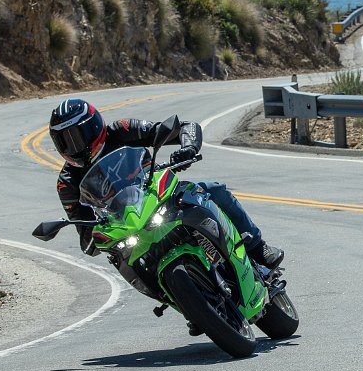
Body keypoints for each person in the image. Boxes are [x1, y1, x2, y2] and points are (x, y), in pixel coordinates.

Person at [49, 97, 284, 268]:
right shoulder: (67, 182)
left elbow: (182, 127)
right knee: (128, 263)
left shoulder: (121, 130)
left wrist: (188, 147)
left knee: (213, 190)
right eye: (63, 141)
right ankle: (188, 302)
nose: (72, 147)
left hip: (158, 194)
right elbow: (85, 234)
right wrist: (96, 238)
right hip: (126, 225)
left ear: (94, 126)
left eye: (76, 136)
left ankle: (258, 247)